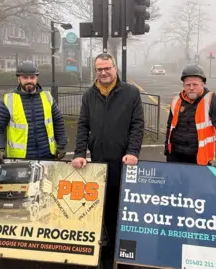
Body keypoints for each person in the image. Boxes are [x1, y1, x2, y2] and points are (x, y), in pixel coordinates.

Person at [70, 53, 144, 269]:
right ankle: (107, 248)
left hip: (124, 162)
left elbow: (137, 124)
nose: (103, 72)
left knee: (122, 209)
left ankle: (123, 251)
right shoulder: (89, 95)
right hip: (99, 162)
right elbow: (83, 125)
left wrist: (133, 152)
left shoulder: (130, 93)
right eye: (99, 69)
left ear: (115, 68)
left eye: (107, 68)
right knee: (102, 208)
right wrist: (79, 153)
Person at [165, 64, 216, 176]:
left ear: (203, 84)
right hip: (175, 157)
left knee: (197, 191)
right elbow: (170, 126)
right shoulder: (176, 100)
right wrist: (166, 150)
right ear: (183, 85)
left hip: (198, 160)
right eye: (188, 85)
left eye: (195, 84)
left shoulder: (210, 99)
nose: (191, 88)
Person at [0, 60, 67, 163]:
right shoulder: (8, 101)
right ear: (19, 79)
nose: (29, 80)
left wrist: (62, 144)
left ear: (36, 78)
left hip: (47, 156)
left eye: (32, 77)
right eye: (25, 77)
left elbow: (58, 122)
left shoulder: (47, 97)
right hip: (19, 160)